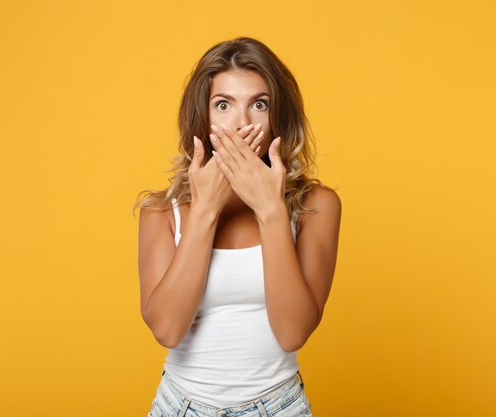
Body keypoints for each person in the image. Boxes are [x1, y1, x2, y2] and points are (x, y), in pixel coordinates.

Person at [134, 36, 341, 417]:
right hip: (180, 406)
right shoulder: (162, 213)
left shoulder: (316, 206)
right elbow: (167, 329)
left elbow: (293, 333)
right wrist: (205, 212)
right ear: (203, 117)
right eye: (223, 105)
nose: (242, 124)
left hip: (278, 407)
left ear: (278, 117)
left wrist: (270, 210)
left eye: (258, 105)